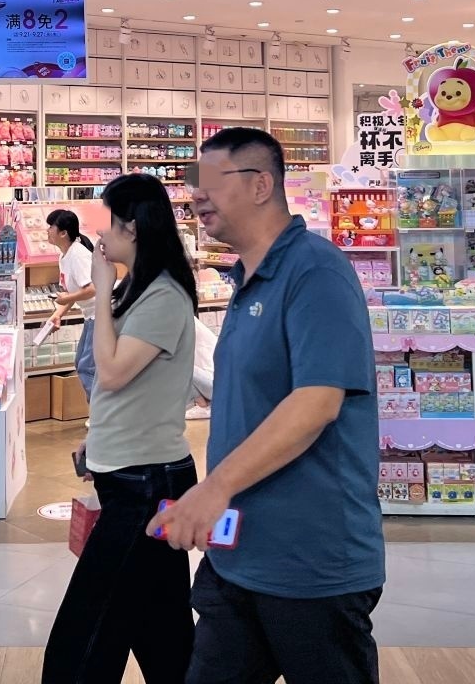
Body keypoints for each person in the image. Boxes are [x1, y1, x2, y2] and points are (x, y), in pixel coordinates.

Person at [157, 127, 383, 684]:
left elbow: (316, 402)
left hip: (312, 563)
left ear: (261, 185)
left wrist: (214, 487)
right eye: (193, 182)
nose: (196, 194)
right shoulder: (246, 279)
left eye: (211, 180)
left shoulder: (316, 271)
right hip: (239, 554)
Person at [42, 174, 199, 684]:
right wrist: (99, 439)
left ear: (134, 227)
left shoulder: (164, 295)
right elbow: (123, 389)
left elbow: (109, 371)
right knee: (160, 624)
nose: (102, 235)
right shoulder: (140, 288)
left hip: (146, 484)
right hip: (133, 475)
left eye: (110, 222)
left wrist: (101, 289)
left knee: (84, 634)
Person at [46, 208, 98, 397]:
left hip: (102, 314)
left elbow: (93, 288)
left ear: (63, 233)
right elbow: (71, 292)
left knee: (87, 368)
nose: (47, 231)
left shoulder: (78, 254)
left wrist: (66, 299)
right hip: (91, 316)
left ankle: (100, 412)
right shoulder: (64, 256)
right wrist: (57, 314)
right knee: (82, 363)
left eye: (51, 227)